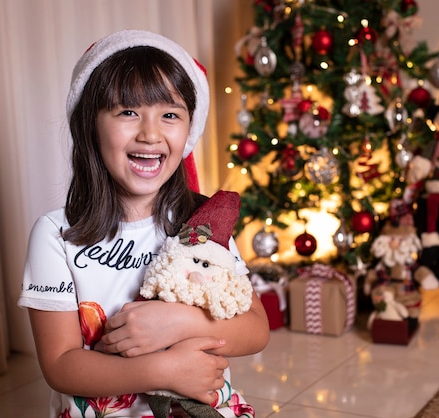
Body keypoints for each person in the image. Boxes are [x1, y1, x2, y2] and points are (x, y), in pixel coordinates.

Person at [18, 29, 270, 418]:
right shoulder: (56, 236)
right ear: (91, 125)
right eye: (127, 112)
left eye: (170, 114)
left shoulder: (203, 225)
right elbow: (60, 365)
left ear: (188, 130)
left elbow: (255, 329)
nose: (151, 133)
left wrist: (180, 321)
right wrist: (163, 370)